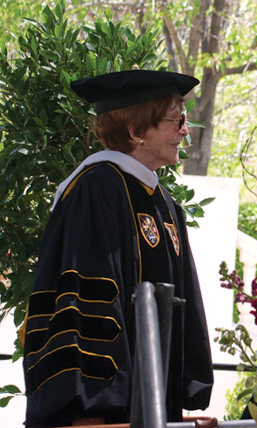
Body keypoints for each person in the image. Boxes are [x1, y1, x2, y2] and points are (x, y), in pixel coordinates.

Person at [22, 70, 214, 426]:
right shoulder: (95, 191)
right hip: (99, 417)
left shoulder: (165, 204)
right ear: (136, 130)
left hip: (152, 410)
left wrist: (174, 399)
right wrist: (89, 411)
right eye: (177, 119)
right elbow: (82, 305)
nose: (185, 131)